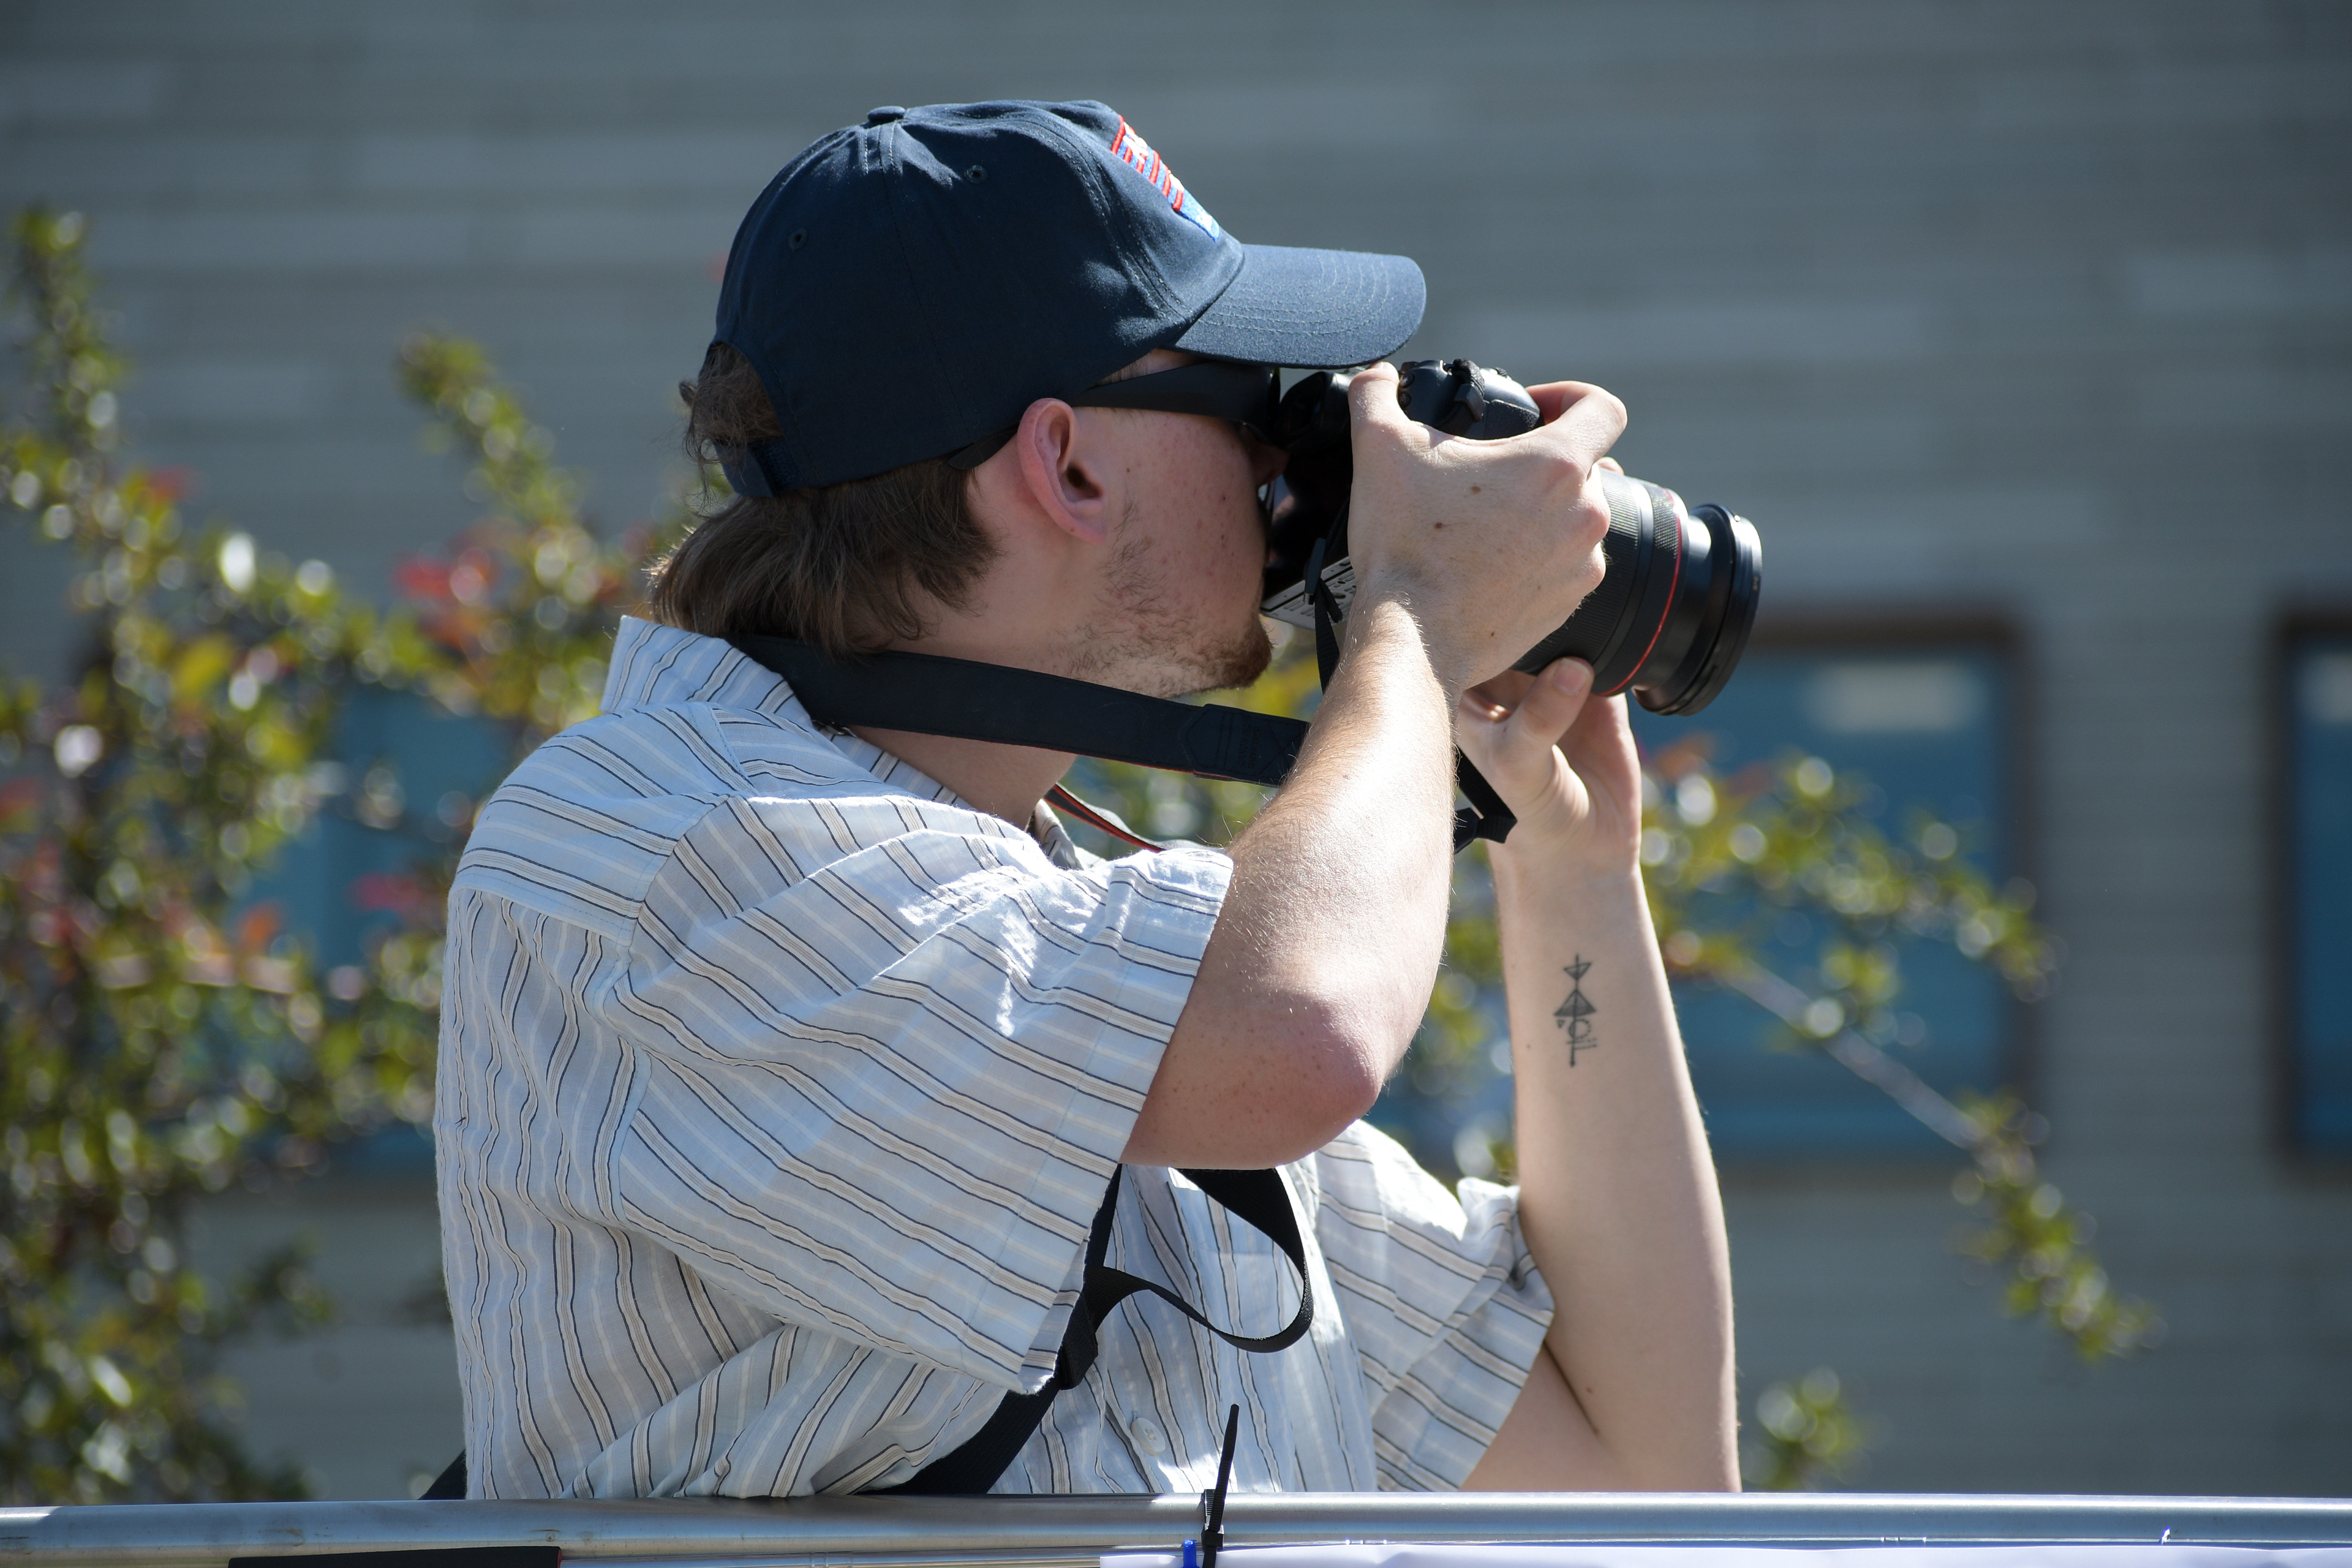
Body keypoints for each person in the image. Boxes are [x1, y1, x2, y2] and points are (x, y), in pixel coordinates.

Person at [435, 99, 1736, 1500]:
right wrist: (1412, 620)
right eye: (1251, 398)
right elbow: (1299, 1037)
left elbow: (1637, 1468)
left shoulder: (1080, 932)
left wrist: (1575, 869)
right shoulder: (643, 845)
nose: (1283, 462)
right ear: (1065, 462)